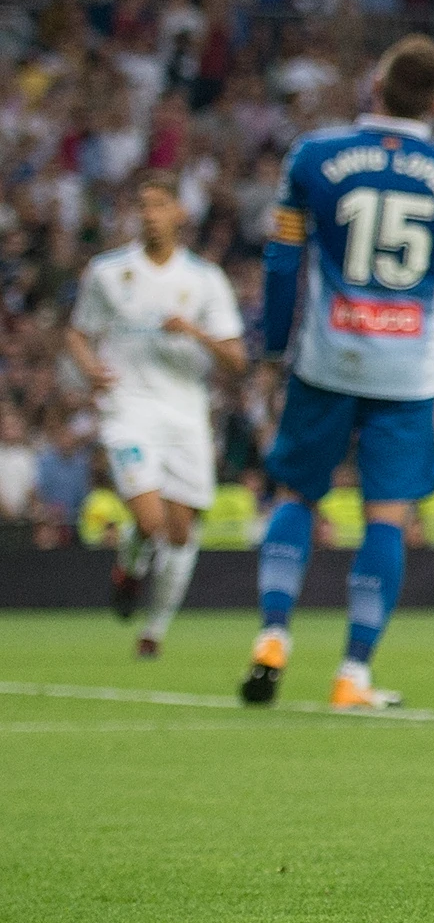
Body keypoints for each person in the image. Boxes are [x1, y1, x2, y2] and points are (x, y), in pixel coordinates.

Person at [243, 35, 434, 711]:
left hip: (327, 356)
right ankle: (352, 673)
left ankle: (273, 632)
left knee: (297, 495)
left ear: (375, 86)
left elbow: (280, 261)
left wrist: (274, 351)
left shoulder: (315, 156)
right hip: (408, 372)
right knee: (385, 517)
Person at [69, 168, 247, 658]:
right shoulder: (108, 273)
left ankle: (155, 629)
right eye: (142, 206)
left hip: (186, 413)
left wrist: (195, 333)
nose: (148, 215)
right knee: (151, 522)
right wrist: (89, 368)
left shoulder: (204, 280)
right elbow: (77, 332)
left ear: (179, 213)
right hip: (129, 409)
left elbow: (237, 359)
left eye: (158, 205)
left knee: (181, 532)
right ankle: (129, 564)